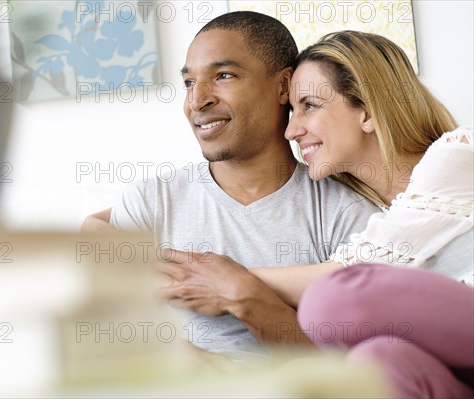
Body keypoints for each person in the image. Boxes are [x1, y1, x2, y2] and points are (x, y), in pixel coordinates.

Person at [161, 31, 473, 397]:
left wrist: (233, 282)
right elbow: (112, 215)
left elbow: (346, 281)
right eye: (293, 111)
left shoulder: (456, 155)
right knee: (379, 361)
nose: (292, 130)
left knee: (331, 302)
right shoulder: (367, 209)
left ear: (368, 111)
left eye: (309, 105)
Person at [82, 12, 380, 360]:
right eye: (190, 83)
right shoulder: (152, 200)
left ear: (283, 86)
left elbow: (347, 373)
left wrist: (246, 296)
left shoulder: (347, 216)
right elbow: (110, 334)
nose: (197, 101)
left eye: (223, 75)